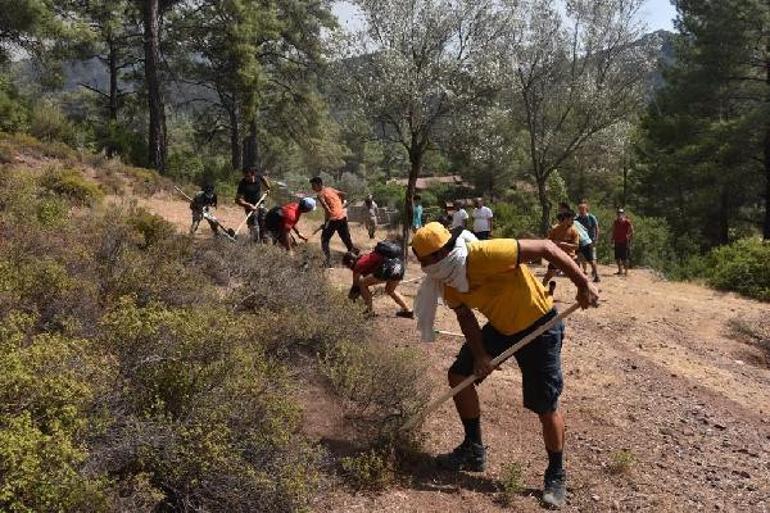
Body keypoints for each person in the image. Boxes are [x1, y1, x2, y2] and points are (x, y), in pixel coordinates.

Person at [411, 222, 599, 509]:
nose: (430, 265)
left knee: (545, 405)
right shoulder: (446, 282)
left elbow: (547, 248)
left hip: (540, 324)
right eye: (424, 261)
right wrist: (481, 355)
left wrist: (582, 284)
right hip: (500, 327)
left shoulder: (486, 254)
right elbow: (466, 318)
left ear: (446, 251)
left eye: (433, 257)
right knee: (459, 374)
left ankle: (556, 473)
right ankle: (473, 449)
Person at [343, 242, 413, 318]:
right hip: (399, 266)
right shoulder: (366, 258)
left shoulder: (358, 265)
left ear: (351, 262)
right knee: (390, 290)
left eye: (347, 266)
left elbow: (355, 287)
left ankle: (369, 311)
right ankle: (407, 310)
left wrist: (347, 304)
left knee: (362, 283)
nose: (349, 268)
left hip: (388, 268)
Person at [310, 176, 359, 267]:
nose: (312, 188)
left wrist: (326, 223)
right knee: (346, 238)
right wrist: (341, 204)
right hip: (342, 216)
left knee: (324, 239)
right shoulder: (330, 189)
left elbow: (327, 209)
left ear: (319, 184)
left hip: (334, 218)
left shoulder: (320, 194)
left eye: (313, 185)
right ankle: (355, 258)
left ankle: (327, 263)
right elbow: (344, 193)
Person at [542, 211, 580, 287]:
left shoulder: (574, 231)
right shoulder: (555, 229)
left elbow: (576, 246)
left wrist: (563, 244)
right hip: (556, 256)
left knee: (579, 277)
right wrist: (554, 243)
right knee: (548, 276)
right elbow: (549, 241)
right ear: (565, 219)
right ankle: (540, 290)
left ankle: (588, 293)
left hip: (570, 257)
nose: (572, 221)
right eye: (571, 219)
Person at [235, 167, 271, 242]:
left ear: (253, 175)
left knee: (263, 221)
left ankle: (264, 240)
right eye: (245, 176)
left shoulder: (258, 176)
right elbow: (238, 200)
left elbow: (263, 178)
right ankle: (254, 244)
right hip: (249, 206)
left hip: (260, 203)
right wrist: (248, 205)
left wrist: (268, 188)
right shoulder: (243, 183)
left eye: (248, 176)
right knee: (255, 227)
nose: (246, 178)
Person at [575, 200, 600, 282]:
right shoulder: (577, 219)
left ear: (586, 209)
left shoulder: (591, 217)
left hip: (590, 241)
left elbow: (596, 228)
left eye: (582, 209)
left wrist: (596, 238)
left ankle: (596, 274)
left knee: (592, 259)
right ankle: (580, 274)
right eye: (580, 209)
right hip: (579, 241)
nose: (581, 210)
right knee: (579, 258)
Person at [612, 208, 634, 276]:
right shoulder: (615, 221)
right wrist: (612, 239)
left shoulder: (627, 222)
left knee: (625, 258)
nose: (619, 214)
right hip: (617, 241)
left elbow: (632, 230)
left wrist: (629, 236)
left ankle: (626, 272)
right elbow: (614, 230)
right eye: (618, 213)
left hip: (624, 242)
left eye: (621, 213)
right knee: (617, 257)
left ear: (623, 214)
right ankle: (620, 271)